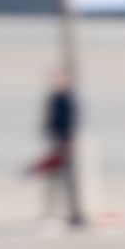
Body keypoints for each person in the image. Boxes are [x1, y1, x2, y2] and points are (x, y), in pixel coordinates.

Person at [27, 64, 80, 227]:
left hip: (65, 142)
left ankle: (71, 211)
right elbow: (49, 121)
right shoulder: (55, 97)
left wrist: (70, 142)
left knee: (68, 179)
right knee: (53, 178)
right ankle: (51, 211)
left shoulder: (68, 98)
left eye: (59, 77)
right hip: (56, 141)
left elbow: (72, 123)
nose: (55, 81)